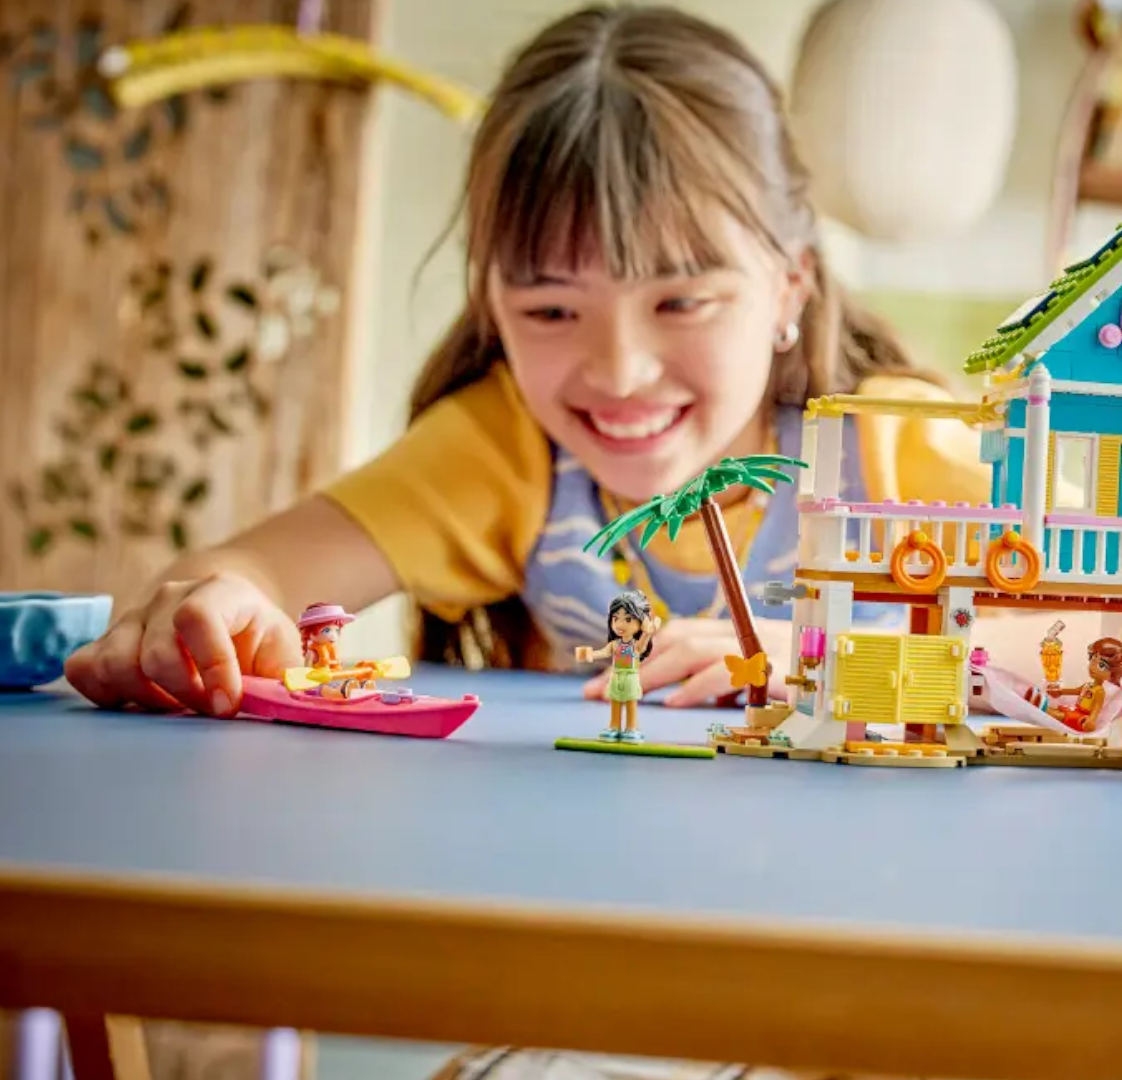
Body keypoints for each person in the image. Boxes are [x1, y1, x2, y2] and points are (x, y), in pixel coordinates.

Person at [63, 3, 1026, 719]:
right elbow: (242, 577)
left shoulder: (897, 454)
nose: (619, 370)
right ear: (495, 305)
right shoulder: (507, 452)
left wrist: (820, 657)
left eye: (681, 300)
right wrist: (220, 609)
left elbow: (1115, 640)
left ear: (788, 285)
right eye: (552, 307)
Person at [574, 591, 658, 740]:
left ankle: (631, 728)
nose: (620, 624)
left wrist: (648, 632)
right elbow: (603, 652)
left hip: (630, 677)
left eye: (628, 619)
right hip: (616, 676)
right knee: (615, 702)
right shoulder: (615, 644)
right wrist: (589, 655)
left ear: (640, 621)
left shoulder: (635, 646)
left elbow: (644, 643)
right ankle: (614, 726)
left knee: (631, 703)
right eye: (616, 618)